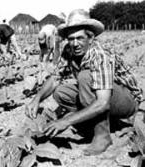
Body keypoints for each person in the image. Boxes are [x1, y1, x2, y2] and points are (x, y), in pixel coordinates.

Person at [25, 9, 143, 156]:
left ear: (91, 38)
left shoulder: (100, 55)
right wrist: (37, 99)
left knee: (85, 77)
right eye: (71, 38)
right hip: (105, 96)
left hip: (127, 101)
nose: (75, 43)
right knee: (61, 92)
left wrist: (65, 122)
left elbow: (103, 103)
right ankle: (91, 122)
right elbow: (55, 77)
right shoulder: (69, 50)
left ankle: (102, 135)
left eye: (80, 38)